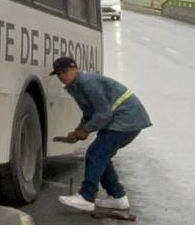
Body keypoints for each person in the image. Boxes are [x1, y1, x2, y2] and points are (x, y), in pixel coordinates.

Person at [50, 56, 152, 212]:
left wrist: (85, 130)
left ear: (75, 68)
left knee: (96, 153)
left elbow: (104, 113)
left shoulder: (88, 83)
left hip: (127, 119)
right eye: (58, 74)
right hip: (121, 119)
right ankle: (118, 197)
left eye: (64, 72)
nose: (62, 77)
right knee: (101, 154)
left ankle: (87, 196)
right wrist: (78, 131)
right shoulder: (75, 86)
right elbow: (89, 112)